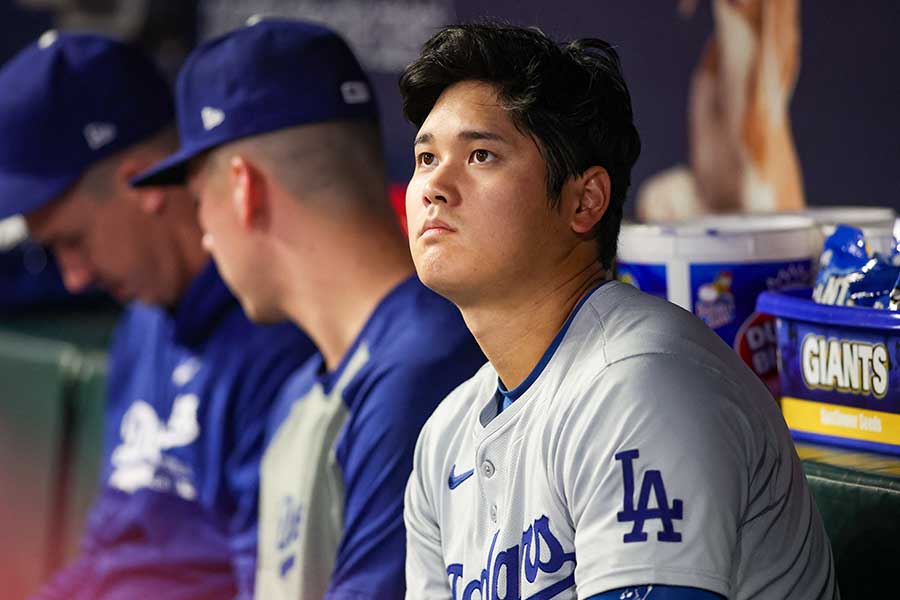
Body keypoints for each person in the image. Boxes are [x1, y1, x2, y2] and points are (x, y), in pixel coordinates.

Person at [399, 22, 838, 599]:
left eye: (480, 155)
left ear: (585, 201)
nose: (435, 184)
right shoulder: (445, 437)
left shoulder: (644, 386)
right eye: (426, 157)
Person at [131, 19, 486, 599]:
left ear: (245, 189)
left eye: (200, 203)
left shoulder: (423, 370)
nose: (206, 238)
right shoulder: (303, 389)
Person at [0, 32, 316, 599]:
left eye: (73, 241)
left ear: (140, 184)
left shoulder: (282, 334)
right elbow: (107, 556)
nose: (73, 278)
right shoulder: (140, 326)